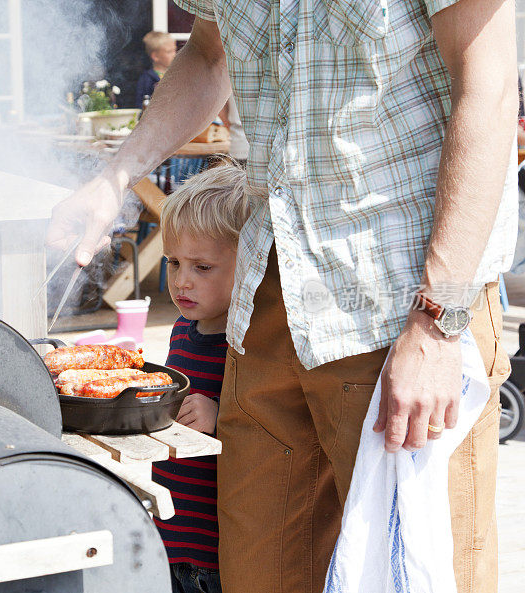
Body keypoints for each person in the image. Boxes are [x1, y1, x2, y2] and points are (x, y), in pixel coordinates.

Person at [46, 0, 517, 591]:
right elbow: (208, 54)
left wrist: (438, 318)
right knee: (259, 571)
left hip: (402, 304)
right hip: (268, 296)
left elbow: (490, 89)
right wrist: (115, 177)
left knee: (420, 573)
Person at [151, 159, 252, 593]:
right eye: (173, 263)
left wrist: (220, 416)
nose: (181, 282)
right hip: (168, 538)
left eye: (202, 267)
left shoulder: (245, 344)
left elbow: (265, 429)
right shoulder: (180, 331)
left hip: (216, 553)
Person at [135, 31, 177, 108]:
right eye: (169, 52)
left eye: (174, 50)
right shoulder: (147, 79)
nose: (174, 54)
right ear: (155, 56)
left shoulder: (177, 75)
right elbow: (141, 105)